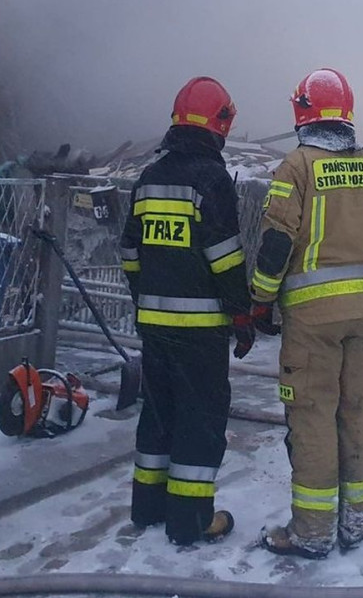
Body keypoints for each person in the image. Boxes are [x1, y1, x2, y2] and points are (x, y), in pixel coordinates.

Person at [249, 68, 363, 559]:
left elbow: (277, 243)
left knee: (313, 417)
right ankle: (354, 526)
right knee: (355, 412)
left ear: (302, 112)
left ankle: (313, 533)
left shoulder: (295, 167)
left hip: (312, 321)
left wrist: (260, 300)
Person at [119, 76, 256, 546]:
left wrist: (147, 300)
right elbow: (227, 259)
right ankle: (191, 520)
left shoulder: (149, 178)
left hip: (154, 327)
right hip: (201, 330)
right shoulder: (211, 179)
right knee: (200, 421)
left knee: (158, 415)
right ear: (219, 124)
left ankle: (148, 508)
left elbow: (129, 254)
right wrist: (242, 316)